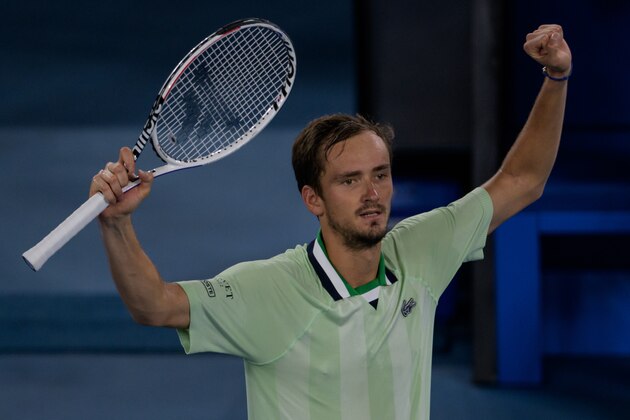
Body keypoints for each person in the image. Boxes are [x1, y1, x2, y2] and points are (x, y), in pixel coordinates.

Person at [90, 24, 571, 420]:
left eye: (380, 175)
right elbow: (154, 306)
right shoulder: (268, 291)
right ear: (312, 199)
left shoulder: (423, 250)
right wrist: (116, 225)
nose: (372, 193)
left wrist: (555, 76)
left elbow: (523, 179)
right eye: (349, 181)